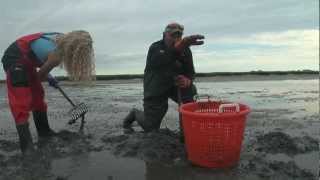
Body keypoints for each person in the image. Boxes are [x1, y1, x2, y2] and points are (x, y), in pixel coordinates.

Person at [1, 30, 95, 155]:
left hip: (28, 61)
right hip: (14, 58)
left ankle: (44, 133)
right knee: (21, 100)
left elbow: (41, 62)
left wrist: (49, 77)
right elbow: (39, 77)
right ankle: (27, 146)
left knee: (38, 96)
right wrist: (45, 76)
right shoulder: (56, 54)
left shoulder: (59, 39)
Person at [123, 22, 204, 134]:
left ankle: (186, 129)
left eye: (179, 36)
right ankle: (134, 114)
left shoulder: (185, 50)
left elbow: (190, 71)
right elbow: (160, 62)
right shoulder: (155, 48)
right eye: (172, 35)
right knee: (150, 126)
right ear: (164, 35)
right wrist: (177, 50)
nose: (176, 38)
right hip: (156, 86)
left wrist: (187, 80)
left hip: (174, 85)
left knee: (191, 90)